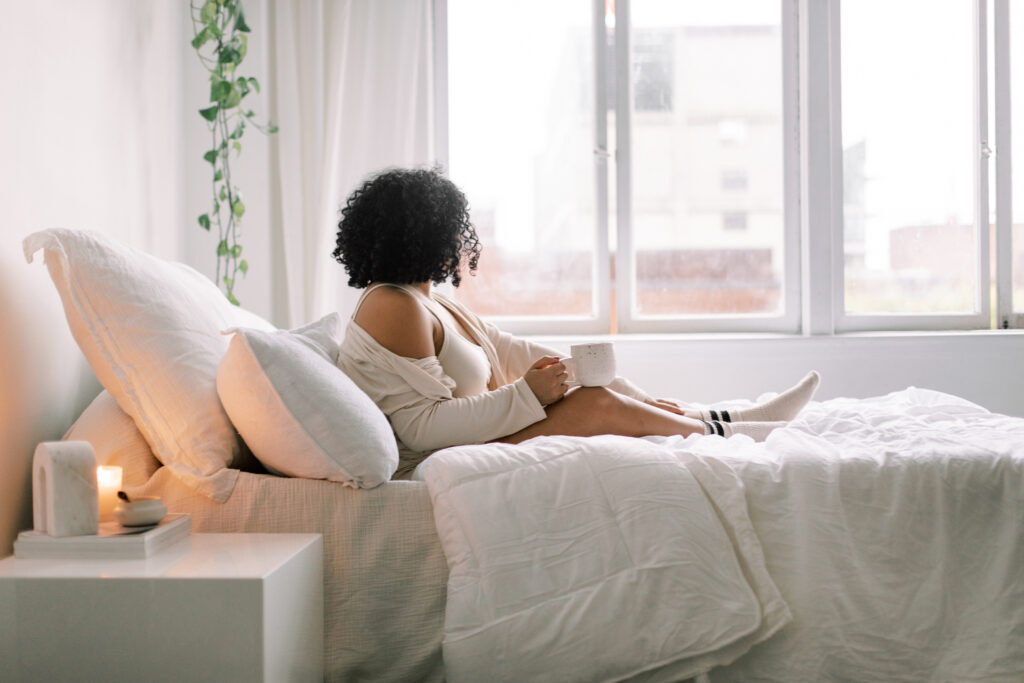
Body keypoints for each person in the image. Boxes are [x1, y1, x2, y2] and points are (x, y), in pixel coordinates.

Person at [334, 167, 820, 478]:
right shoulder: (391, 305)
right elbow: (421, 427)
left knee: (607, 391)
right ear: (428, 234)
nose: (460, 243)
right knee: (596, 404)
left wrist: (622, 387)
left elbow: (506, 350)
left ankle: (720, 420)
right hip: (437, 457)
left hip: (472, 435)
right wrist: (530, 394)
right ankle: (733, 436)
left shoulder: (428, 300)